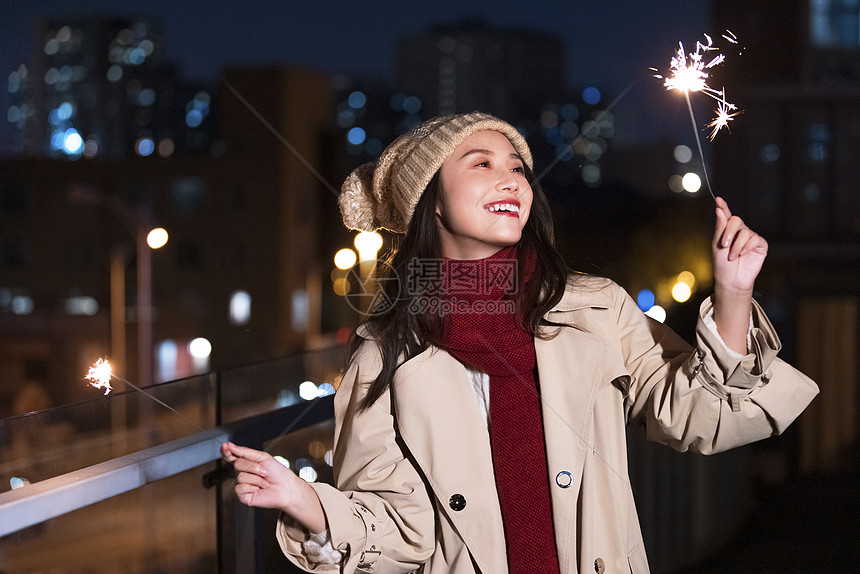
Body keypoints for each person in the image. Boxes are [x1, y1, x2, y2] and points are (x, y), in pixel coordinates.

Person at [221, 112, 818, 573]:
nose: (511, 179)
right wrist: (309, 503)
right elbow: (401, 526)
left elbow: (700, 414)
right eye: (481, 164)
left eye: (518, 167)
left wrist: (735, 293)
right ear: (428, 197)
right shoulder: (386, 351)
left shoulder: (596, 308)